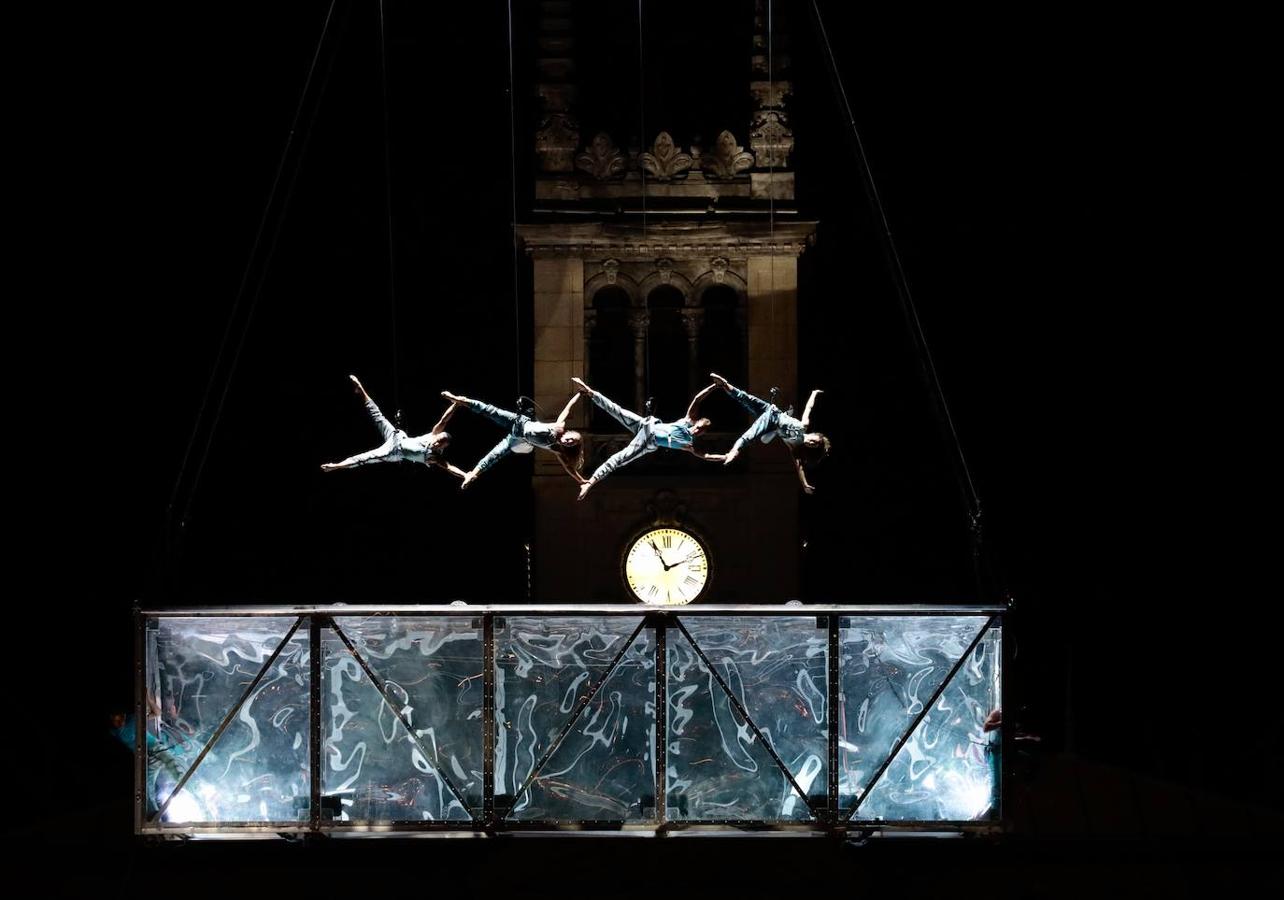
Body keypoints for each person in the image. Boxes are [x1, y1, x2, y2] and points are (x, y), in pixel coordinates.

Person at [573, 377, 725, 500]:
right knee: (616, 410)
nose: (697, 431)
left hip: (647, 442)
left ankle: (590, 482)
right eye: (698, 427)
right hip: (646, 425)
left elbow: (706, 456)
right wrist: (714, 386)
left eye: (700, 432)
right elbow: (697, 399)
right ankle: (589, 392)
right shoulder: (688, 420)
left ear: (702, 434)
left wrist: (725, 456)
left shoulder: (690, 445)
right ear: (696, 422)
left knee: (618, 459)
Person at [321, 375, 468, 479]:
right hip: (397, 435)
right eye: (438, 439)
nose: (436, 443)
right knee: (377, 414)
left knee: (366, 458)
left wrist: (465, 475)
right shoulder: (433, 434)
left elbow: (450, 468)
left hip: (394, 452)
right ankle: (361, 390)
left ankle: (337, 466)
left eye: (439, 444)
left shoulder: (435, 458)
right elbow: (444, 420)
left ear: (442, 447)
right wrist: (456, 403)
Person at [711, 372, 829, 494]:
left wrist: (804, 484)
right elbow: (808, 408)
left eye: (812, 445)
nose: (811, 442)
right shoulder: (804, 425)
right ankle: (724, 384)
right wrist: (813, 393)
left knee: (750, 435)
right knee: (745, 398)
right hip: (771, 410)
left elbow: (799, 467)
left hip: (771, 422)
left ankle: (733, 451)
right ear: (814, 434)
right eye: (814, 440)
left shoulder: (794, 446)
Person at [442, 391, 586, 488]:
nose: (568, 442)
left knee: (495, 455)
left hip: (518, 438)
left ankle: (473, 474)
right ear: (567, 433)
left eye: (571, 443)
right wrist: (579, 394)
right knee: (490, 410)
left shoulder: (556, 449)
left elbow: (568, 468)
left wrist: (580, 480)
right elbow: (568, 408)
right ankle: (460, 400)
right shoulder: (559, 426)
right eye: (570, 439)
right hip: (518, 422)